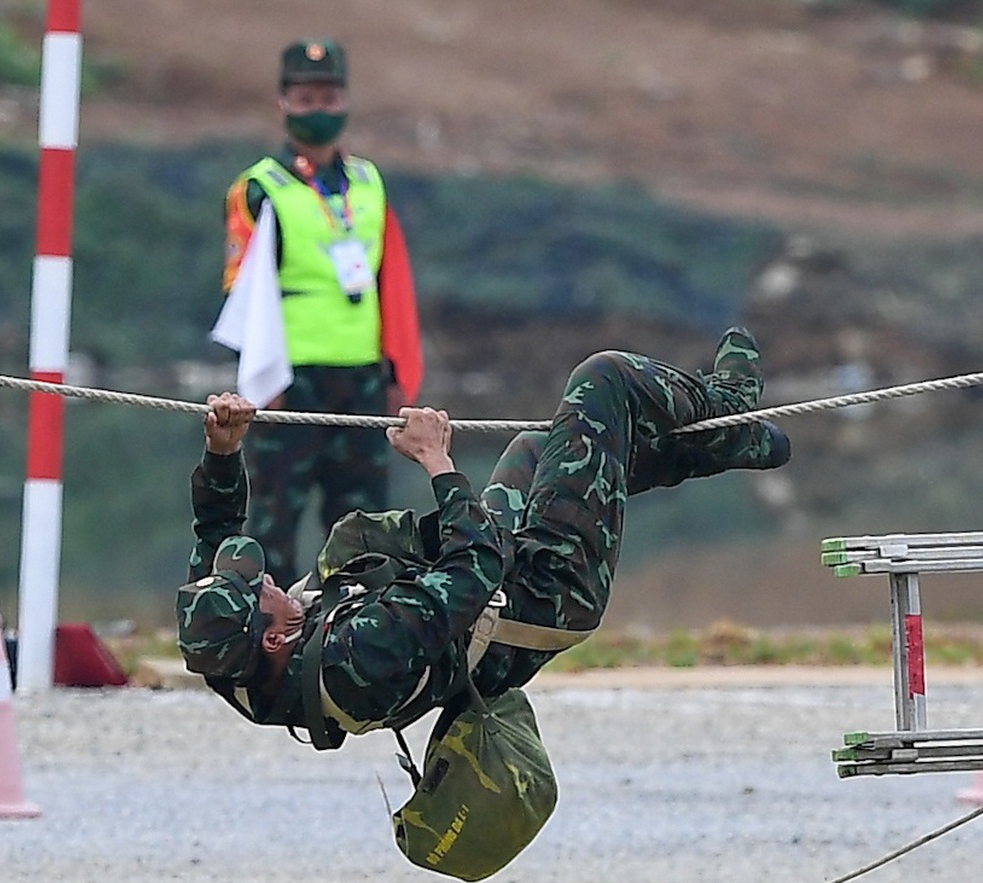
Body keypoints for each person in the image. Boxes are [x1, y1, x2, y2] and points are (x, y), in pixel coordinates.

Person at [176, 331, 788, 745]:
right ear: (279, 636)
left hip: (494, 574)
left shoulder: (218, 646)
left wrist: (222, 452)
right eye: (263, 592)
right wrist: (436, 461)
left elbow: (216, 532)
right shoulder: (361, 656)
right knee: (602, 380)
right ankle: (727, 405)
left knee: (540, 450)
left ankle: (736, 442)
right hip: (544, 594)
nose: (272, 580)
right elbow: (474, 566)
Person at [221, 39, 423, 588]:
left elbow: (390, 283)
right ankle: (269, 644)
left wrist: (397, 372)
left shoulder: (368, 182)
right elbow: (245, 292)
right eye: (307, 97)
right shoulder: (260, 189)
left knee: (364, 526)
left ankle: (354, 636)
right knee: (274, 523)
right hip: (292, 379)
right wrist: (262, 379)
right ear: (284, 103)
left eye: (329, 96)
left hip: (360, 379)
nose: (320, 109)